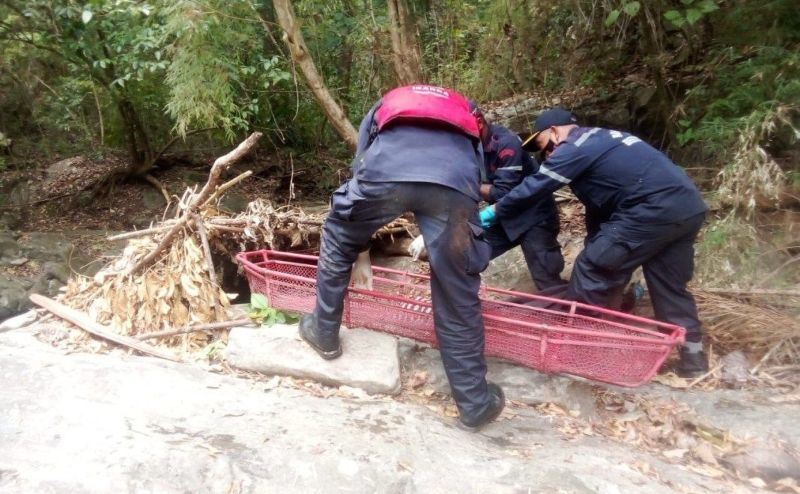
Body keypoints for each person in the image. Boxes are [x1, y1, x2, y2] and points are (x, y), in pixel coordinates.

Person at [299, 84, 505, 430]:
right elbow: (479, 161)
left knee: (338, 235)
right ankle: (474, 403)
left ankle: (324, 332)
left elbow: (363, 155)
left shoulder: (391, 99)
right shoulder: (465, 106)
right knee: (457, 288)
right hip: (453, 184)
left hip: (385, 174)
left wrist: (358, 231)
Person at [479, 108, 709, 378]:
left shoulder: (575, 147)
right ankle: (694, 362)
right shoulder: (605, 141)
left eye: (543, 147)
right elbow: (601, 209)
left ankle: (580, 355)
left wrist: (494, 211)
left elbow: (535, 187)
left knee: (591, 269)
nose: (545, 157)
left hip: (650, 210)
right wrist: (595, 243)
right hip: (686, 207)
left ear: (554, 131)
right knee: (669, 287)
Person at [473, 104, 565, 292]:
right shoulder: (467, 148)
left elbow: (503, 192)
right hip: (504, 216)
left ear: (479, 122)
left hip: (534, 216)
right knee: (468, 255)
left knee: (547, 282)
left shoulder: (505, 142)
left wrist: (469, 185)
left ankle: (599, 308)